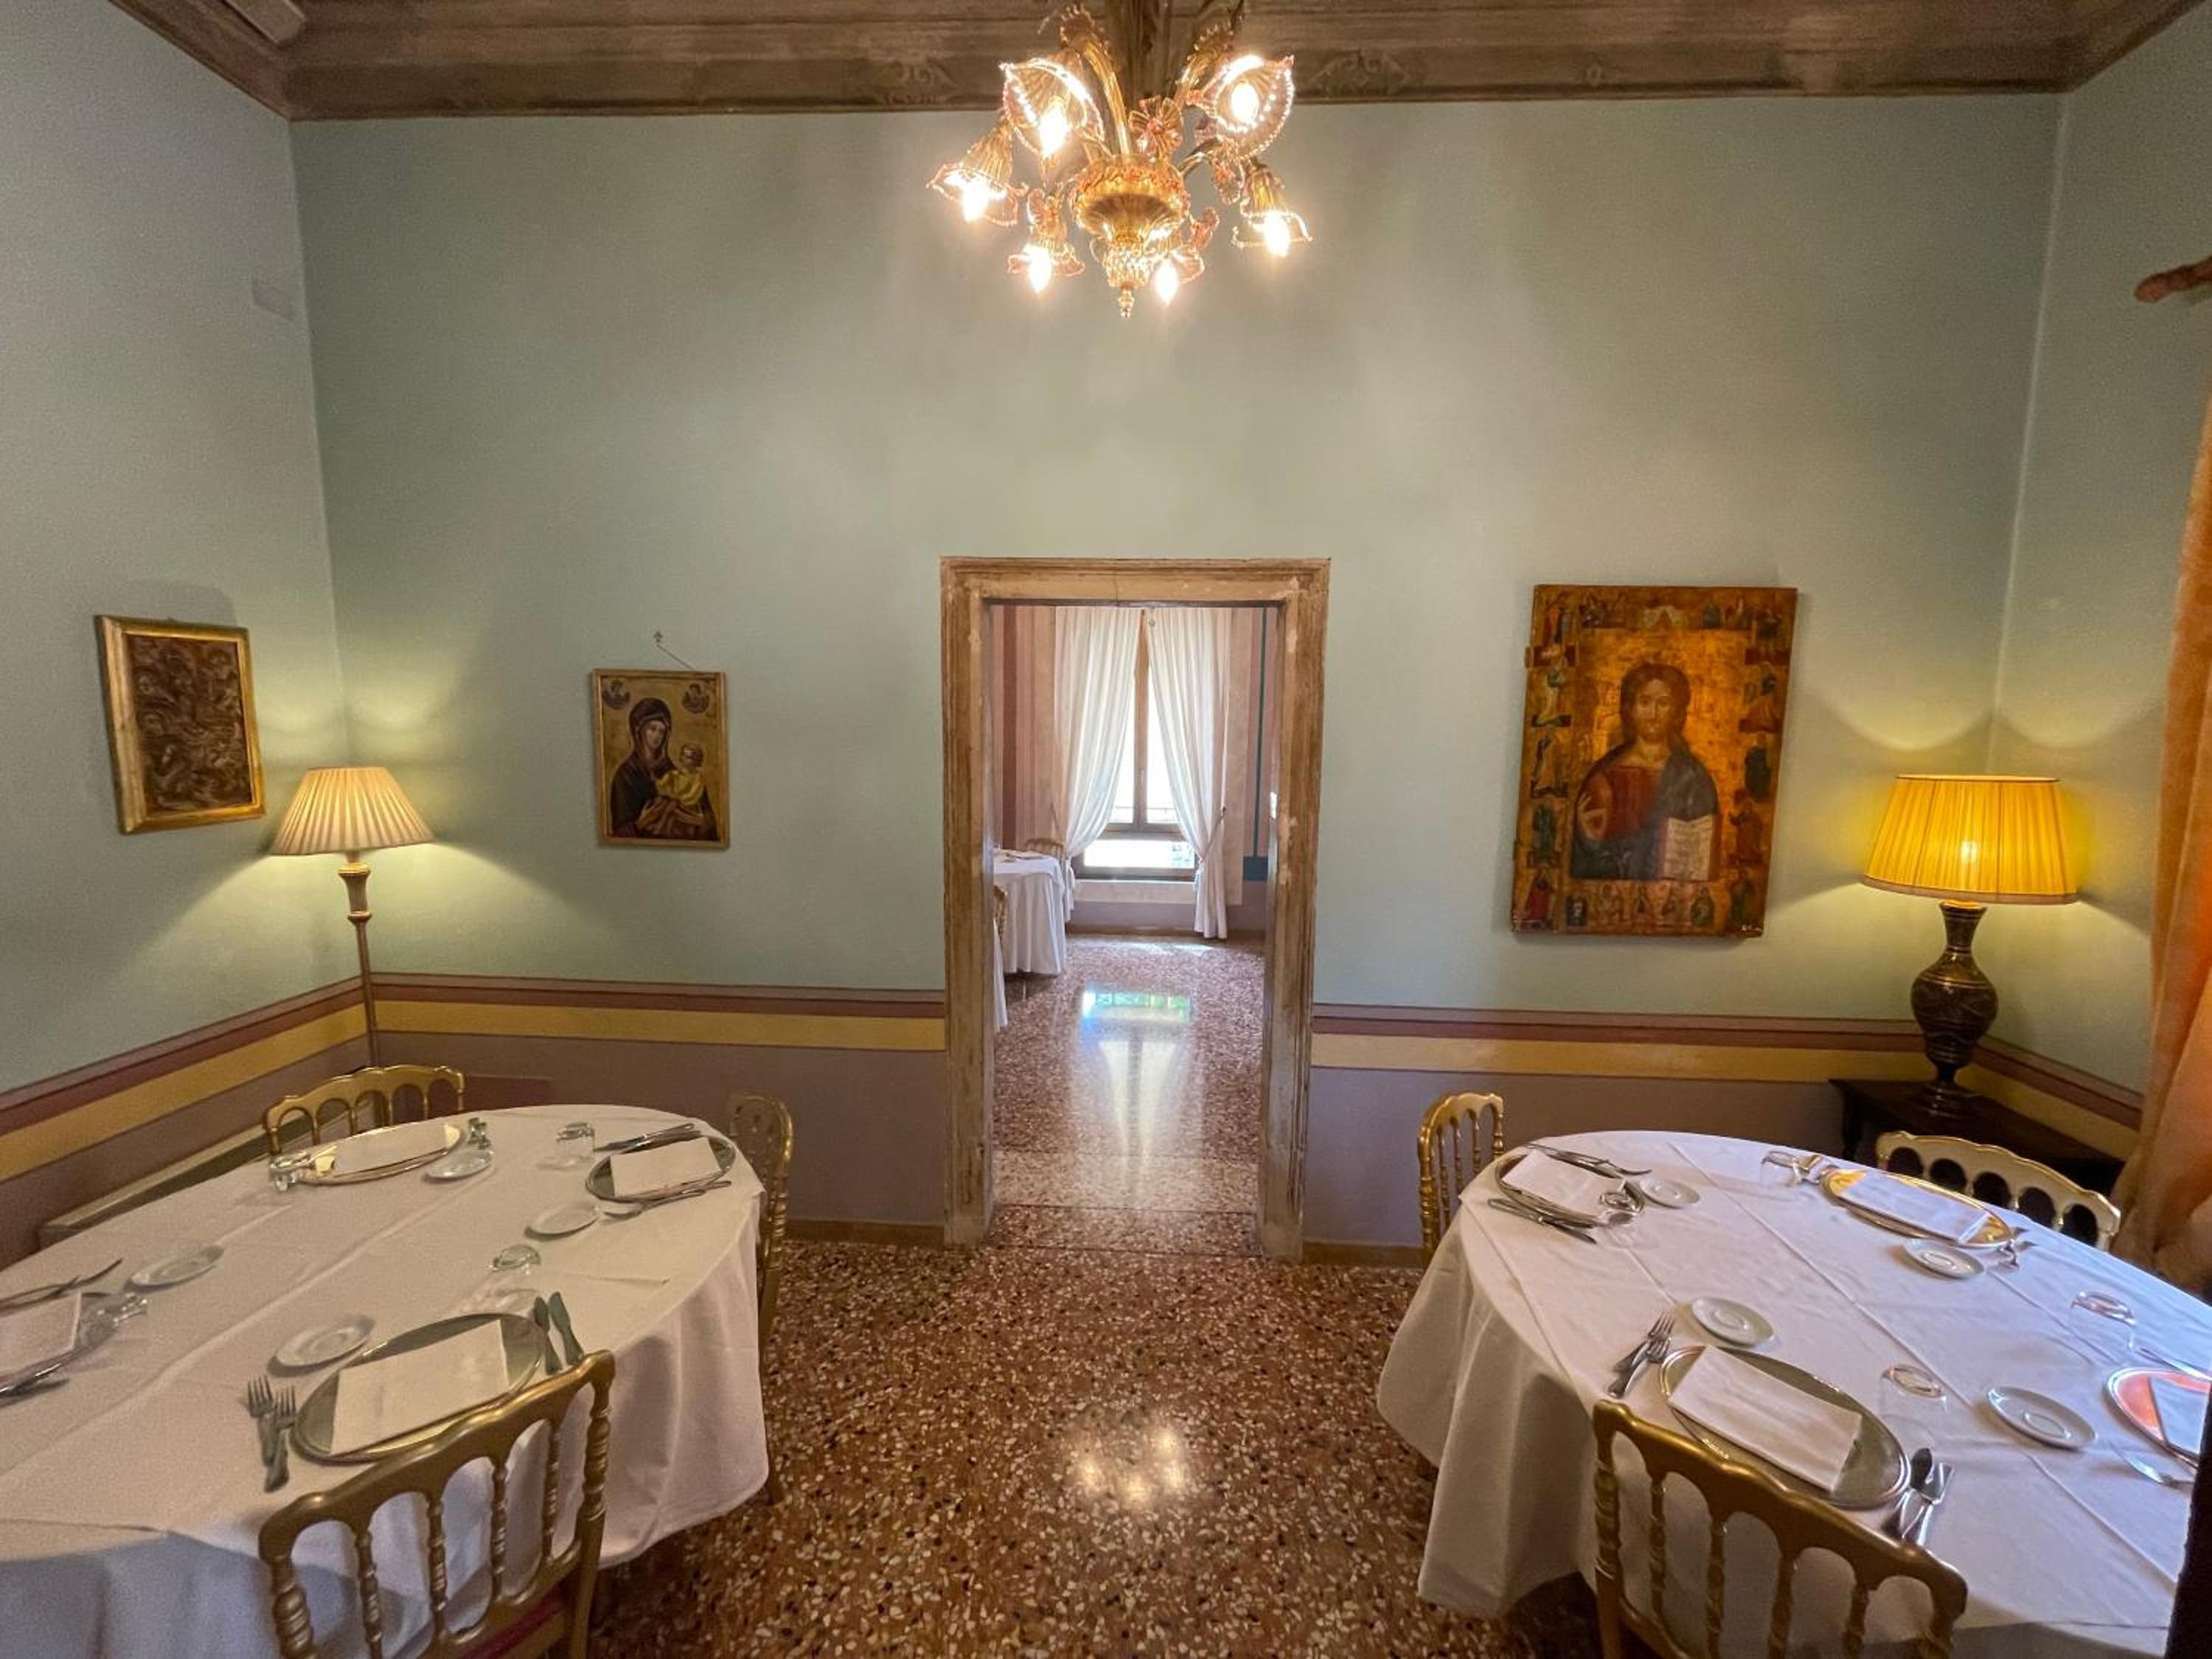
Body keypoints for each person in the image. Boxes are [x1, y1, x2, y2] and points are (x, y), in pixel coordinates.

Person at [1570, 662, 1719, 882]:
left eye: (1663, 703)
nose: (1653, 713)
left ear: (1676, 712)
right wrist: (1590, 841)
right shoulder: (1606, 775)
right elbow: (1585, 868)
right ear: (1630, 709)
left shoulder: (1693, 778)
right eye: (1645, 702)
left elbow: (1705, 858)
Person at [608, 698, 720, 841]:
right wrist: (640, 824)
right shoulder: (626, 776)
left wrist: (699, 820)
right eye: (652, 729)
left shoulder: (673, 771)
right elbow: (618, 834)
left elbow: (708, 821)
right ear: (639, 731)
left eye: (662, 731)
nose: (657, 736)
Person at [637, 742, 716, 840]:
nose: (684, 758)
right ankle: (649, 824)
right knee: (662, 801)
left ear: (696, 760)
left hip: (688, 807)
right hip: (671, 803)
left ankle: (659, 826)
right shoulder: (674, 774)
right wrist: (656, 781)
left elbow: (692, 796)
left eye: (688, 757)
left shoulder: (698, 778)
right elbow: (662, 786)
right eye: (683, 755)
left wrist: (677, 798)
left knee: (672, 803)